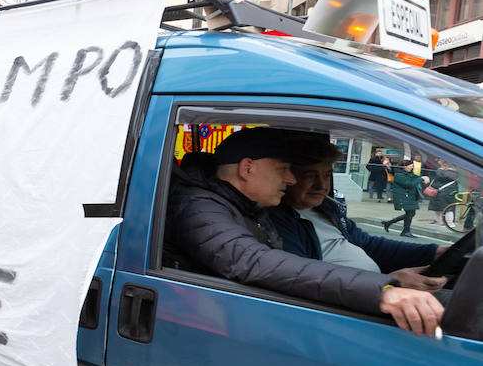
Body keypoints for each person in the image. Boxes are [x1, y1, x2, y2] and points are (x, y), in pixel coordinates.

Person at [165, 127, 443, 335]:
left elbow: (366, 245)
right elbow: (252, 260)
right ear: (247, 169)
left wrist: (435, 253)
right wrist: (382, 289)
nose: (291, 178)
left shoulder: (248, 204)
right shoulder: (198, 207)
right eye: (284, 169)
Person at [268, 137, 443, 290]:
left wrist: (434, 252)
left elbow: (368, 244)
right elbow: (306, 280)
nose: (321, 185)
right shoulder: (278, 221)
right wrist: (387, 284)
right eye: (310, 176)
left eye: (327, 174)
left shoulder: (327, 208)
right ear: (287, 177)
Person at [385, 157, 424, 236]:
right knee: (410, 213)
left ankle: (390, 223)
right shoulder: (399, 175)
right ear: (404, 166)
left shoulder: (410, 173)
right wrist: (421, 179)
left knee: (411, 213)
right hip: (403, 196)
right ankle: (406, 231)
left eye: (412, 166)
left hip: (410, 196)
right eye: (410, 166)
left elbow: (416, 178)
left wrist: (422, 178)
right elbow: (408, 184)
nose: (412, 167)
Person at [427, 160, 459, 225]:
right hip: (439, 191)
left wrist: (440, 170)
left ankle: (449, 223)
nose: (438, 161)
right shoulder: (443, 170)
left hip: (447, 192)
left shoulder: (452, 171)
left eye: (440, 160)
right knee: (437, 207)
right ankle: (437, 221)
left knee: (447, 208)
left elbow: (442, 177)